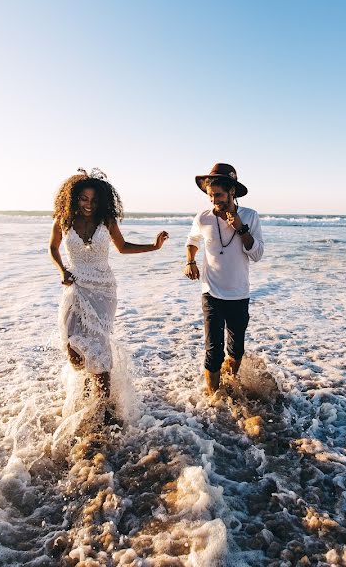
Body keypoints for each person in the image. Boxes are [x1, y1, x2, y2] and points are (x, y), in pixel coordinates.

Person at [49, 169, 168, 428]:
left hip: (103, 290)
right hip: (76, 285)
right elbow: (53, 248)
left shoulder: (107, 221)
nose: (89, 205)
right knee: (73, 350)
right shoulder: (63, 220)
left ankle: (102, 410)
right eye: (83, 199)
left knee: (98, 347)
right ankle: (88, 389)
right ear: (74, 198)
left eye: (93, 200)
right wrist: (62, 271)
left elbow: (123, 248)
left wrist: (154, 246)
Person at [185, 163, 264, 394]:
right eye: (210, 196)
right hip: (211, 291)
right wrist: (190, 261)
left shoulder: (250, 216)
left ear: (232, 191)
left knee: (236, 349)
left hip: (239, 293)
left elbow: (257, 254)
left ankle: (230, 382)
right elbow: (192, 240)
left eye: (218, 195)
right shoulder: (203, 218)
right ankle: (214, 401)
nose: (213, 201)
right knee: (213, 351)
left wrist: (240, 228)